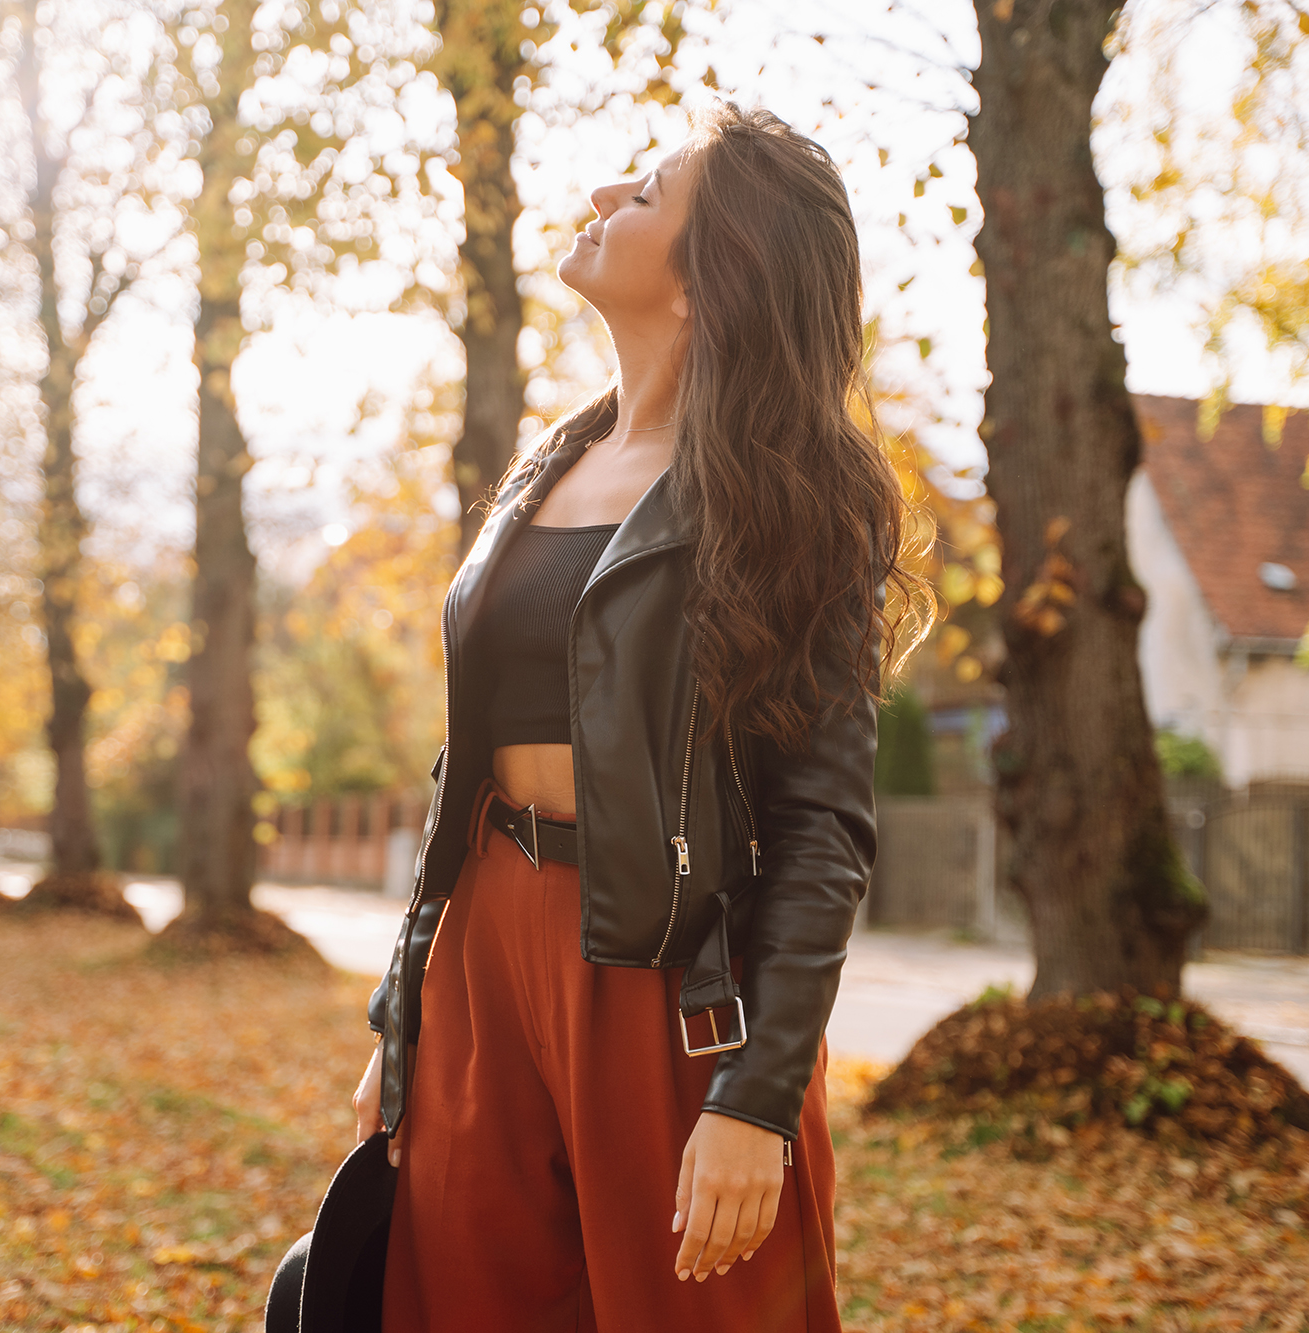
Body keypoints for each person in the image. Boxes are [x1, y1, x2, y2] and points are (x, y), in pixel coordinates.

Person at [351, 100, 928, 1332]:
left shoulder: (799, 493)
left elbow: (821, 828)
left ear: (711, 279)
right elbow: (464, 761)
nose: (606, 193)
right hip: (480, 961)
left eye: (648, 192)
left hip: (672, 990)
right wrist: (403, 1010)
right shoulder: (541, 465)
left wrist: (758, 1099)